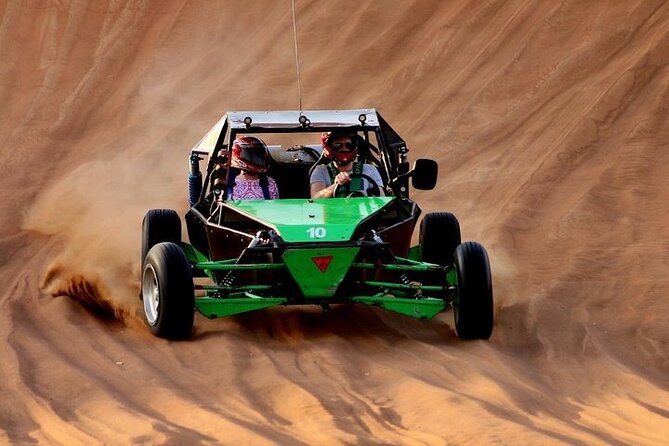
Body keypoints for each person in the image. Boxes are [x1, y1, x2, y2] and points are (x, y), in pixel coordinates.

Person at [310, 130, 385, 198]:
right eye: (338, 145)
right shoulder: (321, 171)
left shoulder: (369, 169)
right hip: (333, 212)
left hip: (364, 212)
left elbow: (381, 198)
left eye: (349, 145)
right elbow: (315, 198)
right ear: (329, 147)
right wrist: (336, 185)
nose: (344, 148)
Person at [227, 136, 279, 200]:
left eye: (259, 155)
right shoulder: (227, 184)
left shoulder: (270, 183)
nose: (258, 159)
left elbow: (275, 207)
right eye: (252, 155)